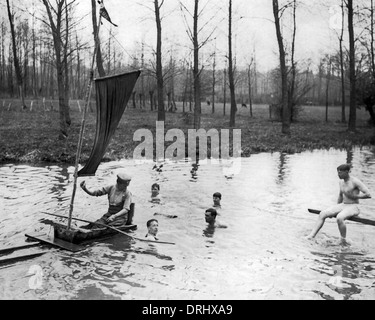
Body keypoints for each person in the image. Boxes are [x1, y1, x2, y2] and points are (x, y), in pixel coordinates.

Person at [306, 164, 371, 244]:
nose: (338, 175)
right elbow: (340, 196)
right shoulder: (341, 182)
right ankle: (311, 236)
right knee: (322, 213)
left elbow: (368, 195)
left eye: (340, 173)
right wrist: (336, 209)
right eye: (338, 173)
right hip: (343, 205)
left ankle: (343, 240)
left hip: (354, 206)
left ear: (346, 172)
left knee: (340, 217)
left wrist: (355, 196)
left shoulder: (355, 182)